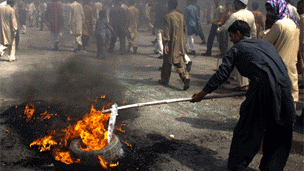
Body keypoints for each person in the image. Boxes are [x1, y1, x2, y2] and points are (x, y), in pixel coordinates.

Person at [191, 20, 296, 171]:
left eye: (231, 36)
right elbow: (271, 67)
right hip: (284, 87)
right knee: (279, 130)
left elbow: (221, 74)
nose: (231, 40)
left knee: (247, 129)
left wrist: (202, 93)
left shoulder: (237, 49)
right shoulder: (265, 44)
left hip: (263, 90)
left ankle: (237, 166)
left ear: (238, 33)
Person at [261, 0, 300, 107]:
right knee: (291, 96)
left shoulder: (279, 24)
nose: (268, 13)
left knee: (277, 97)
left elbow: (265, 43)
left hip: (278, 66)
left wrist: (267, 29)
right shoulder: (294, 24)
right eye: (268, 10)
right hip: (291, 66)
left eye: (271, 9)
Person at [217, 0, 257, 91]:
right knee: (240, 60)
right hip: (248, 41)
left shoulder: (235, 15)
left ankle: (243, 85)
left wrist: (219, 29)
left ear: (239, 4)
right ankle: (229, 77)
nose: (234, 4)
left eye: (235, 3)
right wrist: (254, 39)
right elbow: (253, 29)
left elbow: (227, 26)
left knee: (237, 60)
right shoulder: (250, 14)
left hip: (236, 41)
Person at [158, 0, 190, 91]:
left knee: (167, 61)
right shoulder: (181, 16)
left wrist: (166, 44)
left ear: (169, 5)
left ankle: (164, 79)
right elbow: (183, 28)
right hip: (180, 42)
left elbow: (166, 31)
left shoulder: (168, 16)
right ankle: (186, 78)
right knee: (179, 62)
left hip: (171, 43)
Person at [297, 0, 304, 76]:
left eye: (300, 8)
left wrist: (300, 47)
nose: (298, 10)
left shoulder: (302, 18)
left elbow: (301, 34)